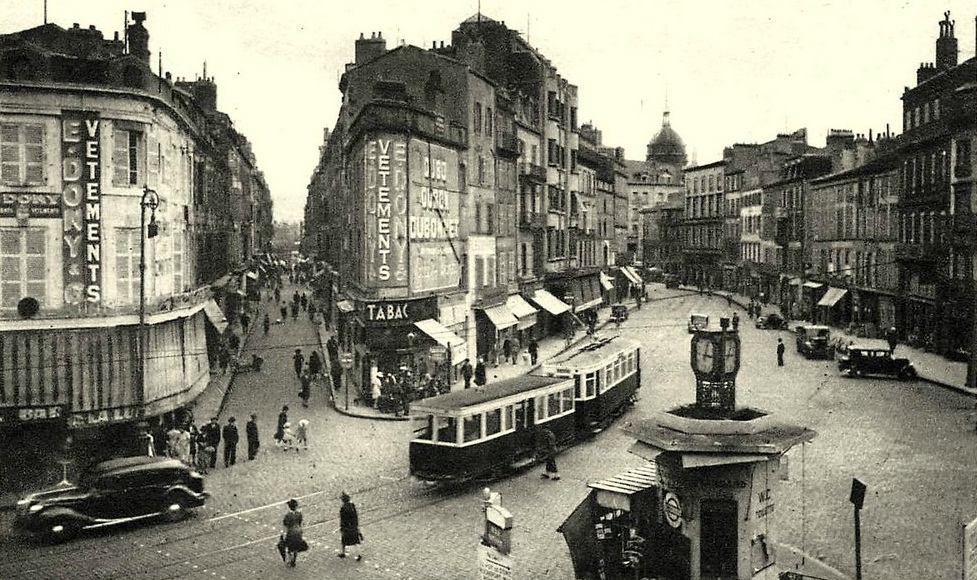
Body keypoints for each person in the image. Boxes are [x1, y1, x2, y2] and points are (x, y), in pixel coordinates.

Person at [281, 498, 306, 568]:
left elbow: (285, 526)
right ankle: (294, 560)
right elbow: (300, 522)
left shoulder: (287, 516)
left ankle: (290, 560)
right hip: (298, 531)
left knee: (289, 548)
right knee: (296, 547)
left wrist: (283, 535)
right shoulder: (299, 514)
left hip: (291, 532)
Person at [338, 491, 363, 561]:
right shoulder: (352, 506)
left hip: (346, 527)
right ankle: (359, 554)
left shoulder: (343, 508)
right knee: (356, 541)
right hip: (353, 526)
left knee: (344, 540)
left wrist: (342, 527)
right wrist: (356, 525)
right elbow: (356, 516)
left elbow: (342, 519)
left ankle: (343, 553)